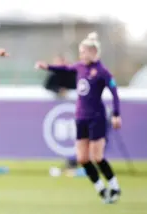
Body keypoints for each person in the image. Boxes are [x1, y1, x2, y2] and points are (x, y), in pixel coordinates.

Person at [35, 32, 122, 203]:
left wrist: (117, 115)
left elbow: (114, 93)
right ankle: (101, 189)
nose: (81, 55)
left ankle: (115, 186)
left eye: (84, 52)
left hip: (96, 117)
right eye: (80, 52)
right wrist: (47, 66)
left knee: (97, 157)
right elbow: (65, 68)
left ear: (93, 52)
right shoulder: (80, 67)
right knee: (82, 159)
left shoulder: (103, 72)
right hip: (80, 117)